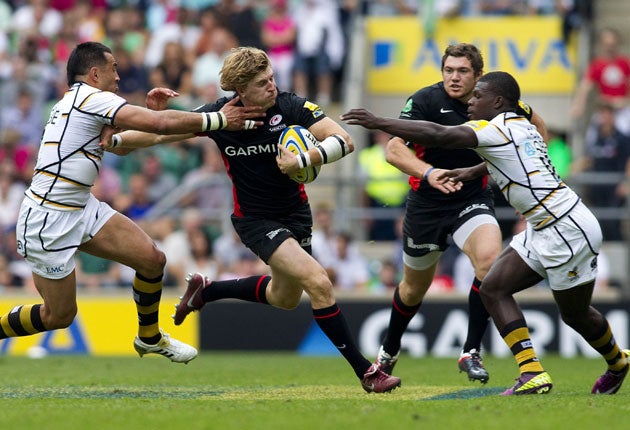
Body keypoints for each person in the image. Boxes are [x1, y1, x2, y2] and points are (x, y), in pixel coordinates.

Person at [104, 46, 401, 393]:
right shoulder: (222, 116)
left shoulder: (291, 106)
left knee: (285, 297)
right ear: (241, 91)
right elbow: (159, 133)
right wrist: (118, 140)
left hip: (296, 215)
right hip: (256, 220)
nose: (272, 86)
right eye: (262, 83)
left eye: (272, 78)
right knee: (318, 281)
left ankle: (208, 290)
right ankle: (367, 373)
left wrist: (306, 158)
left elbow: (344, 140)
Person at [341, 70, 630, 395]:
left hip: (563, 228)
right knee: (492, 288)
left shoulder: (493, 129)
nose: (471, 101)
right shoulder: (519, 125)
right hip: (550, 222)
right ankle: (533, 372)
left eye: (478, 96)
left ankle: (617, 361)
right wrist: (475, 170)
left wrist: (378, 120)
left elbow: (438, 134)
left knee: (574, 314)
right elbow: (509, 157)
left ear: (498, 101)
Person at [4, 41, 261, 363]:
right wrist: (218, 120)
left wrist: (152, 114)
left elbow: (124, 145)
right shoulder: (90, 98)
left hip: (80, 205)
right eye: (113, 70)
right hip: (48, 216)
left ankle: (149, 337)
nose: (118, 77)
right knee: (58, 316)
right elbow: (159, 126)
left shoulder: (80, 103)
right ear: (95, 73)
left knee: (152, 260)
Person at [358, 43, 548, 384]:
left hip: (471, 198)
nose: (454, 77)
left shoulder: (497, 101)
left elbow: (537, 125)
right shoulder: (426, 100)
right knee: (414, 288)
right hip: (426, 206)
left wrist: (533, 167)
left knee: (489, 263)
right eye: (449, 70)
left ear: (477, 75)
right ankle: (390, 349)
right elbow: (394, 148)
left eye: (462, 71)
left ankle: (471, 350)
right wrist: (428, 173)